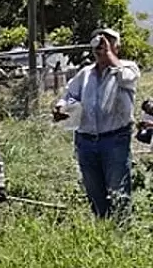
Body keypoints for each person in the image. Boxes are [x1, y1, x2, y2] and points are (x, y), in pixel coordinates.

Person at [54, 28, 141, 220]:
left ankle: (121, 233)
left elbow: (127, 78)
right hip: (86, 140)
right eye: (99, 42)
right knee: (94, 192)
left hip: (115, 139)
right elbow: (69, 95)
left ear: (117, 47)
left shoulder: (127, 67)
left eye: (108, 42)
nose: (101, 46)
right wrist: (61, 108)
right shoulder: (85, 73)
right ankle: (103, 229)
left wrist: (109, 54)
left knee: (118, 191)